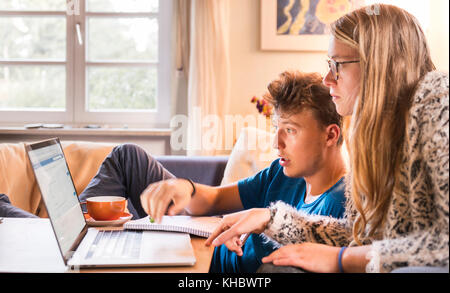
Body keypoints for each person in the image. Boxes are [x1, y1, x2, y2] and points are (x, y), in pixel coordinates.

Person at [205, 4, 449, 273]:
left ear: (378, 63)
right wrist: (269, 220)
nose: (327, 78)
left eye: (338, 65)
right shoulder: (373, 138)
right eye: (328, 65)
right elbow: (364, 241)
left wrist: (339, 260)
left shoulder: (438, 102)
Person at [80, 71, 348, 273]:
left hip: (201, 267)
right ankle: (72, 237)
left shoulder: (339, 211)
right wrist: (186, 188)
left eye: (290, 130)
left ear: (330, 135)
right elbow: (216, 200)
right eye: (275, 128)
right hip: (195, 241)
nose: (276, 143)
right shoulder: (282, 173)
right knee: (127, 156)